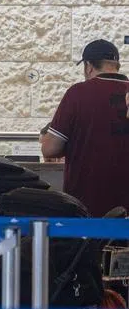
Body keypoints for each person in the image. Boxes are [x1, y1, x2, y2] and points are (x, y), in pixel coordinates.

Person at [41, 39, 129, 217]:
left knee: (89, 245)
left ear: (88, 66)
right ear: (117, 65)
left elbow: (50, 149)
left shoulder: (78, 93)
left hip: (87, 207)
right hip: (126, 209)